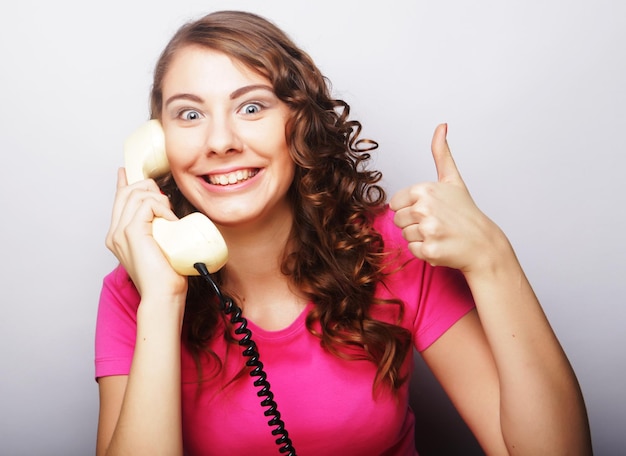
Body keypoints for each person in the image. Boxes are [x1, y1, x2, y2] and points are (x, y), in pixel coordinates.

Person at [95, 10, 592, 456]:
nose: (221, 141)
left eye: (251, 107)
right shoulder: (134, 293)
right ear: (157, 143)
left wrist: (493, 259)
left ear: (300, 121)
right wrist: (161, 301)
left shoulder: (390, 249)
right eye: (189, 114)